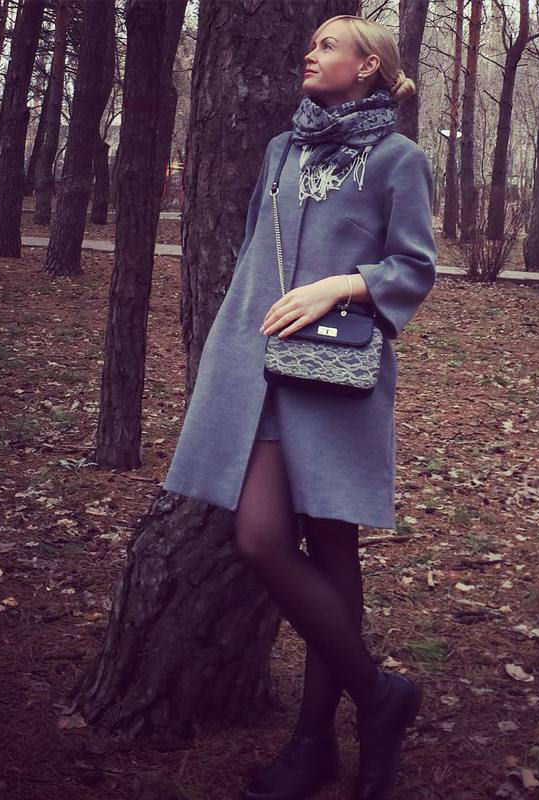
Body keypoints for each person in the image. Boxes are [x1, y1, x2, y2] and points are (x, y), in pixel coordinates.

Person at [161, 13, 437, 800]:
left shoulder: (398, 159)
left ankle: (314, 744)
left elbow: (415, 265)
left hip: (336, 374)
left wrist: (340, 285)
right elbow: (256, 251)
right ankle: (379, 698)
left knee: (334, 545)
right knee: (261, 538)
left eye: (327, 46)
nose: (309, 55)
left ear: (369, 66)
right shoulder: (284, 149)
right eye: (311, 44)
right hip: (259, 370)